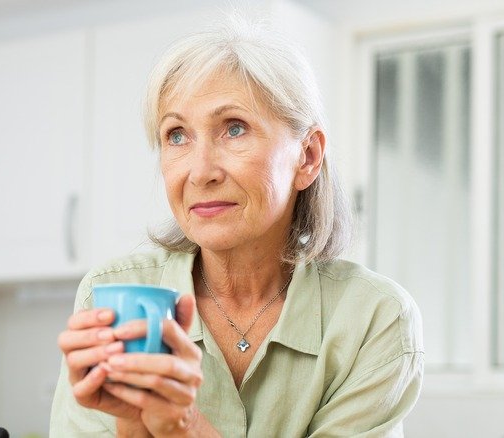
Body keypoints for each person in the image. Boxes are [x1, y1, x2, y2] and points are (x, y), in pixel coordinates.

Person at [50, 15, 424, 437]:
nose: (200, 172)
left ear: (307, 157)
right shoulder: (110, 296)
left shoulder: (373, 318)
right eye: (176, 135)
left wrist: (183, 426)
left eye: (234, 128)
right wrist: (135, 427)